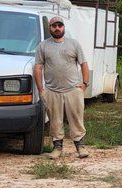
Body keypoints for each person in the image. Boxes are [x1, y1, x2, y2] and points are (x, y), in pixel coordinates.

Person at [34, 15, 90, 158]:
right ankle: (57, 149)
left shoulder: (74, 44)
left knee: (76, 119)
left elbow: (83, 64)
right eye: (54, 26)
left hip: (73, 90)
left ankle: (81, 148)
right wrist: (41, 90)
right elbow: (38, 68)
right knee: (55, 120)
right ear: (50, 28)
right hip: (52, 91)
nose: (57, 28)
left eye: (60, 25)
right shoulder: (43, 46)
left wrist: (84, 84)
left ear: (64, 27)